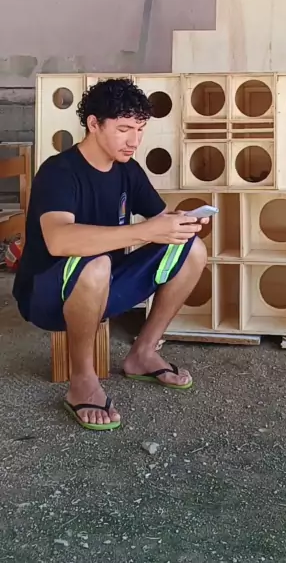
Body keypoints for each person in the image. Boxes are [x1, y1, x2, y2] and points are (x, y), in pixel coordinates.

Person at [12, 77, 209, 432]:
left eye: (140, 129)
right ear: (93, 124)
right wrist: (145, 231)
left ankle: (143, 352)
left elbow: (159, 221)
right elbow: (59, 240)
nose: (134, 141)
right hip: (47, 295)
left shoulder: (127, 170)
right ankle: (82, 380)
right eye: (123, 129)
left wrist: (179, 224)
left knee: (192, 249)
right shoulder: (59, 171)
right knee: (97, 263)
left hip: (105, 287)